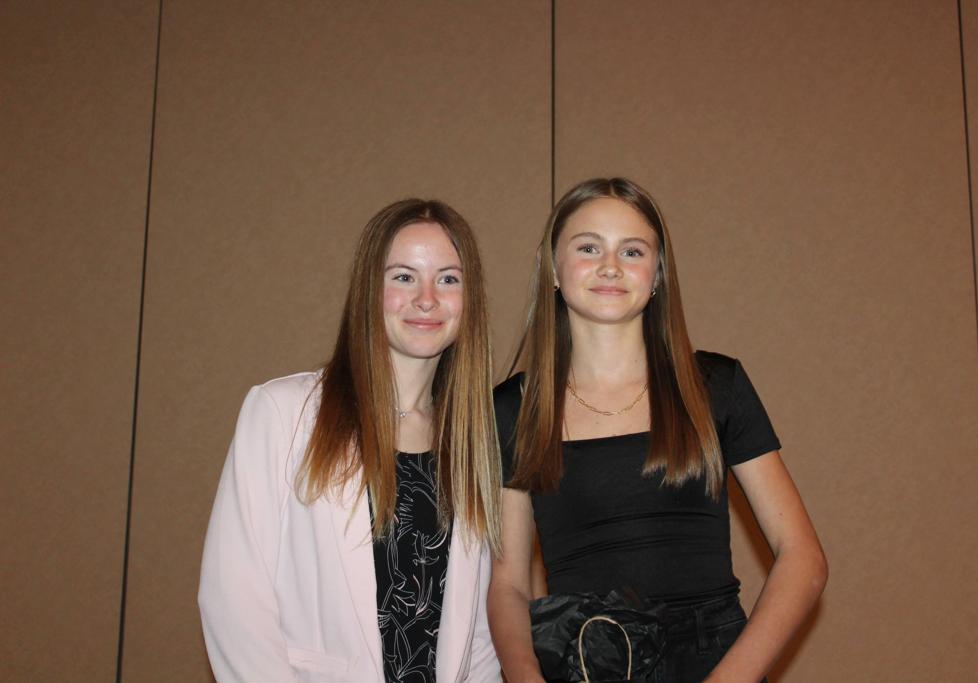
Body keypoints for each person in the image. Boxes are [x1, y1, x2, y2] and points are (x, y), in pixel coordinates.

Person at [487, 178, 827, 682]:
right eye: (588, 247)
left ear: (658, 274)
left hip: (718, 665)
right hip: (586, 665)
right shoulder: (513, 408)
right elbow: (509, 584)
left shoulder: (716, 385)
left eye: (632, 251)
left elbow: (802, 557)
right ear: (551, 267)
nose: (610, 266)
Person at [199, 199, 503, 683]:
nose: (427, 299)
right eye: (404, 277)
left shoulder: (475, 440)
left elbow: (479, 636)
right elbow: (233, 597)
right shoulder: (284, 412)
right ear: (369, 289)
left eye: (448, 279)